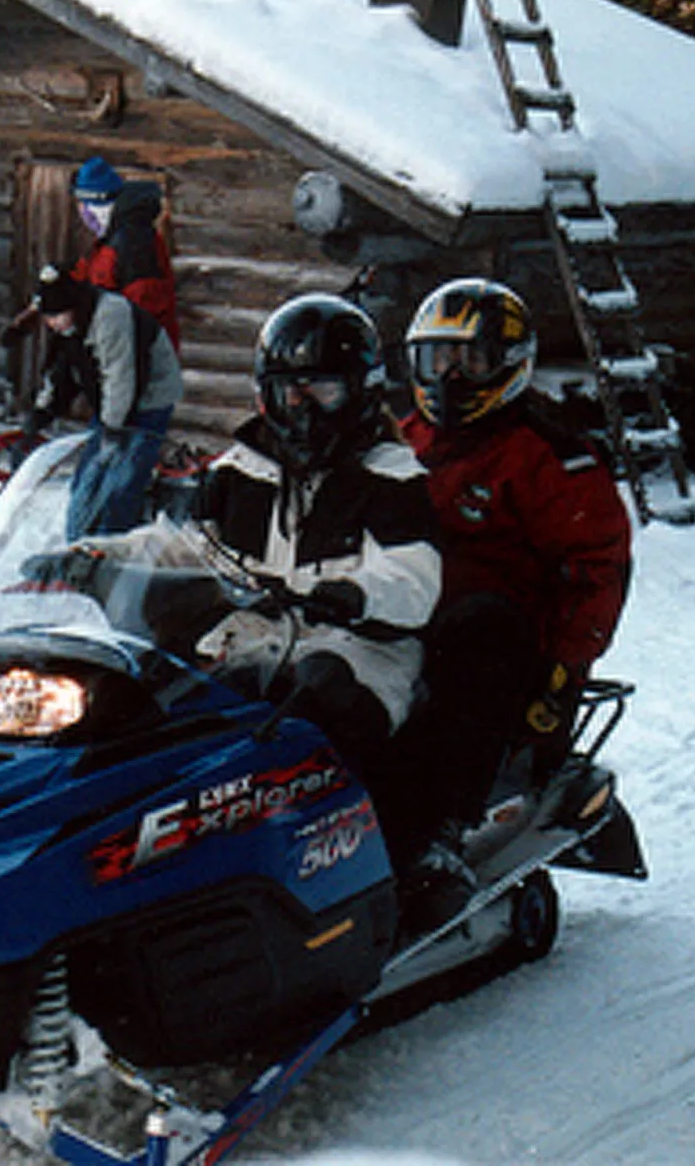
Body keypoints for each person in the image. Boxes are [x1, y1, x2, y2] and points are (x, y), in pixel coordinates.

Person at [191, 292, 450, 921]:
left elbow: (414, 575)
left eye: (323, 391)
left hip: (362, 647)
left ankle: (387, 866)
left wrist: (358, 593)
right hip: (256, 635)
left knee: (319, 711)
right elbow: (186, 548)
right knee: (171, 708)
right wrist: (95, 561)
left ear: (359, 392)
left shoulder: (391, 476)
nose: (303, 410)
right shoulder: (239, 469)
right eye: (289, 393)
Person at [393, 277, 632, 847]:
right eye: (438, 360)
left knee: (475, 634)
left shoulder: (549, 456)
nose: (451, 377)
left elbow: (597, 565)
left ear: (510, 364)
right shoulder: (406, 440)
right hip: (401, 614)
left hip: (501, 644)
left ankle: (440, 832)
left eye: (470, 361)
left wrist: (565, 668)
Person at [19, 264, 183, 539]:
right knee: (87, 481)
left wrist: (112, 429)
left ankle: (113, 549)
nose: (53, 324)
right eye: (49, 318)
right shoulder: (70, 329)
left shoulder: (110, 316)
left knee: (121, 484)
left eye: (57, 316)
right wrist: (41, 414)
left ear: (72, 306)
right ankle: (77, 544)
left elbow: (122, 377)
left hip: (150, 395)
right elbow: (60, 373)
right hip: (113, 402)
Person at [69, 156, 181, 349]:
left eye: (85, 204)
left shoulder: (133, 243)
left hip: (138, 357)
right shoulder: (110, 239)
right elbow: (85, 276)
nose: (82, 212)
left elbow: (144, 308)